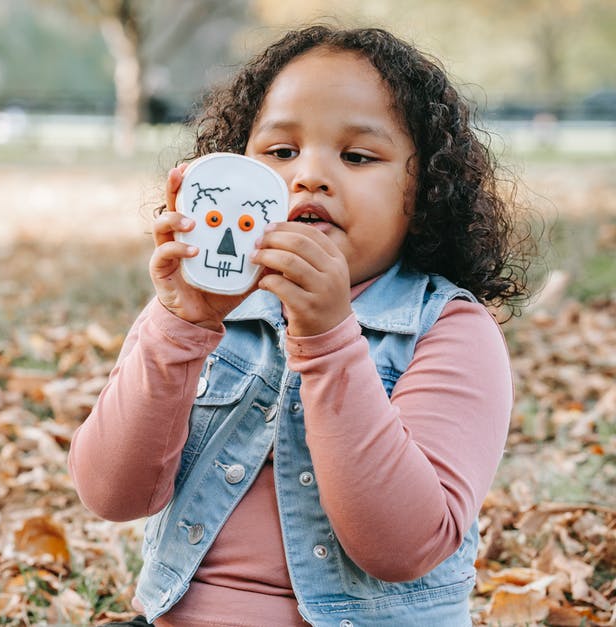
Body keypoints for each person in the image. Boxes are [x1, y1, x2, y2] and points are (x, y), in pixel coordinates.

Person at [69, 25, 534, 627]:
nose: (308, 176)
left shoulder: (450, 331)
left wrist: (328, 341)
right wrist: (178, 327)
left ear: (425, 192)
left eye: (358, 156)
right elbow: (111, 494)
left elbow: (404, 546)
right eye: (281, 153)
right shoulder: (201, 312)